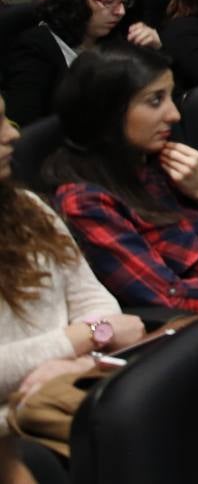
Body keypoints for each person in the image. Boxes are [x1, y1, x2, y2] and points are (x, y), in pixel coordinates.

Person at [46, 43, 198, 313]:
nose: (174, 115)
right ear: (108, 111)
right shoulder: (86, 200)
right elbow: (174, 300)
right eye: (155, 100)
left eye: (170, 97)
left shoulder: (169, 157)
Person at [0, 93, 146, 404]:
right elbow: (105, 326)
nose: (12, 134)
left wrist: (79, 363)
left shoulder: (24, 205)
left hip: (72, 380)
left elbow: (91, 297)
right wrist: (87, 336)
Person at [3, 0, 162, 127]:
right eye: (109, 0)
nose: (121, 11)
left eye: (124, 1)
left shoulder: (119, 38)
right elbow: (26, 127)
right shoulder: (36, 47)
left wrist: (155, 52)